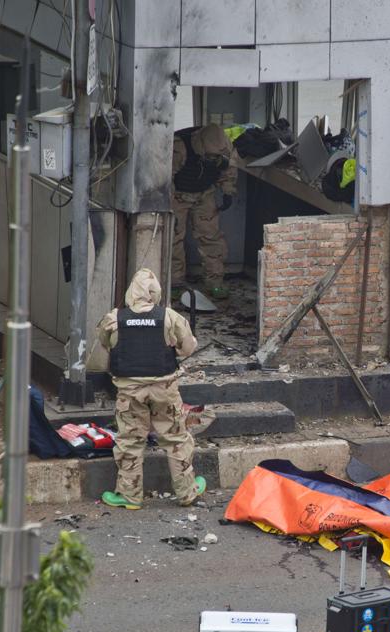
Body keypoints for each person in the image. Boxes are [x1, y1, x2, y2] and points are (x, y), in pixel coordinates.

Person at [96, 268, 206, 509]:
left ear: (130, 293)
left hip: (129, 391)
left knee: (130, 441)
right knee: (176, 438)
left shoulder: (115, 318)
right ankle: (187, 492)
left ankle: (130, 496)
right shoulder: (169, 316)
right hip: (164, 388)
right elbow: (188, 347)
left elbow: (105, 344)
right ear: (155, 293)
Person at [171, 122, 239, 300]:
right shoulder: (179, 147)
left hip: (205, 193)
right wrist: (167, 206)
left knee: (211, 237)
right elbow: (165, 179)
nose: (213, 159)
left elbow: (229, 167)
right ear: (200, 145)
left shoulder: (224, 144)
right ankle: (174, 283)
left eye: (216, 156)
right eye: (209, 156)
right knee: (173, 239)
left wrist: (228, 190)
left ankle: (214, 282)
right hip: (178, 195)